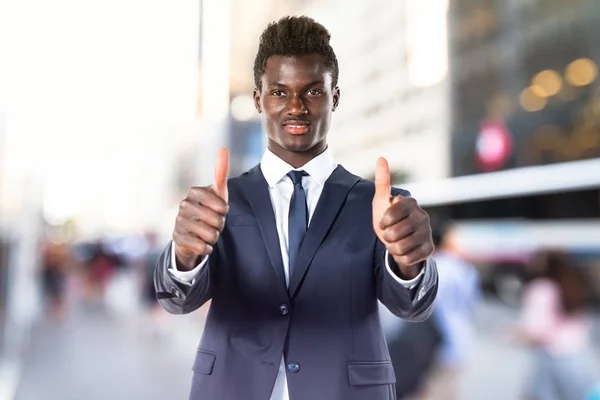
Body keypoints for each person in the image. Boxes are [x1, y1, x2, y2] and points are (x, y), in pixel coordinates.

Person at [154, 16, 439, 400]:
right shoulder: (217, 203)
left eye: (312, 92)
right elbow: (177, 300)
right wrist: (185, 256)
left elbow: (412, 307)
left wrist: (409, 263)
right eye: (278, 92)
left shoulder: (379, 205)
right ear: (259, 98)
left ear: (334, 97)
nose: (296, 107)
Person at [511, 250, 597, 400]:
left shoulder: (541, 289)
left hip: (552, 357)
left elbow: (536, 330)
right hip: (578, 355)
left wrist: (514, 333)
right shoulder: (574, 284)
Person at [413, 224, 480, 400]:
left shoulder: (430, 268)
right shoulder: (465, 268)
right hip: (459, 337)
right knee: (448, 390)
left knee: (429, 390)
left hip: (434, 341)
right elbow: (472, 302)